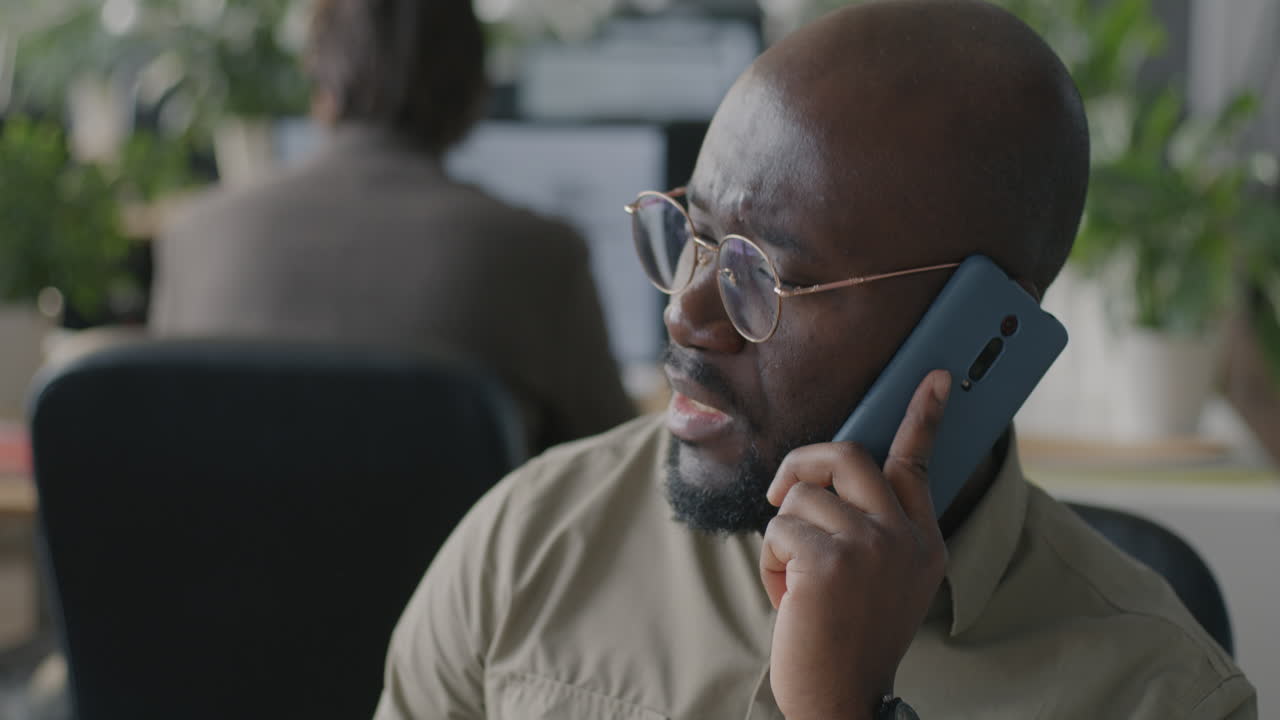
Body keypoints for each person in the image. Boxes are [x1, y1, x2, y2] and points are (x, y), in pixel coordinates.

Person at [373, 1, 1257, 717]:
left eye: (765, 273)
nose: (685, 313)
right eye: (699, 235)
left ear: (983, 325)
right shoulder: (530, 544)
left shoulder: (1160, 695)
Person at [148, 0, 634, 452]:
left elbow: (162, 443)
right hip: (456, 546)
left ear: (321, 81)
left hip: (233, 544)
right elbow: (616, 464)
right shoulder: (540, 254)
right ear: (474, 88)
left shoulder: (196, 234)